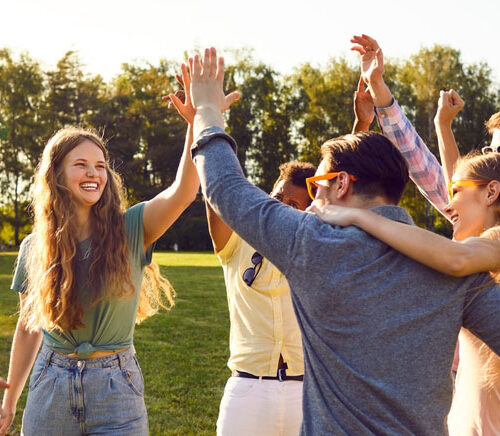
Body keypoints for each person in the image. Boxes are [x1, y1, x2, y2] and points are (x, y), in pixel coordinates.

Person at [187, 47, 500, 435]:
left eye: (318, 185)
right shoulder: (454, 264)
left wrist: (207, 110)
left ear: (341, 184)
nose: (314, 198)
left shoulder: (311, 243)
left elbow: (225, 187)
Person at [0, 63, 229, 436]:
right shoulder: (34, 247)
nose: (94, 173)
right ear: (56, 175)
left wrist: (197, 121)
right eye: (81, 165)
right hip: (50, 386)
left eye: (100, 166)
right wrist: (9, 403)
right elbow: (29, 328)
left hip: (116, 387)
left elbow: (184, 191)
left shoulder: (132, 227)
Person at [348, 34, 500, 435]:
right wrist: (385, 94)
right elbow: (444, 178)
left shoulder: (479, 242)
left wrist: (370, 220)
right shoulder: (472, 218)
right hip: (466, 409)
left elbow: (456, 255)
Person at [208, 162, 314, 436]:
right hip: (247, 390)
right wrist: (202, 126)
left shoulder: (317, 251)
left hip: (305, 392)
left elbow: (343, 193)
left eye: (294, 204)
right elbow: (214, 190)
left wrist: (361, 127)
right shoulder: (237, 242)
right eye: (277, 198)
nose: (282, 207)